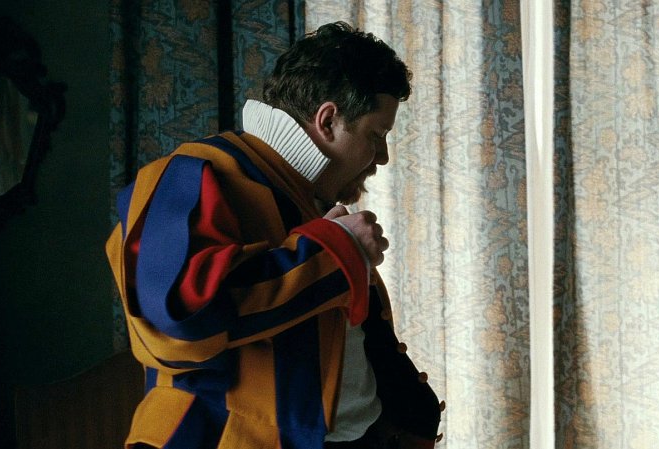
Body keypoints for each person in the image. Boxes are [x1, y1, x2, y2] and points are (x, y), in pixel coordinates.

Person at [106, 21, 443, 449]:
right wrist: (336, 251)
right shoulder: (190, 174)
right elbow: (178, 322)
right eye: (376, 135)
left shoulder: (309, 197)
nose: (383, 156)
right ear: (328, 120)